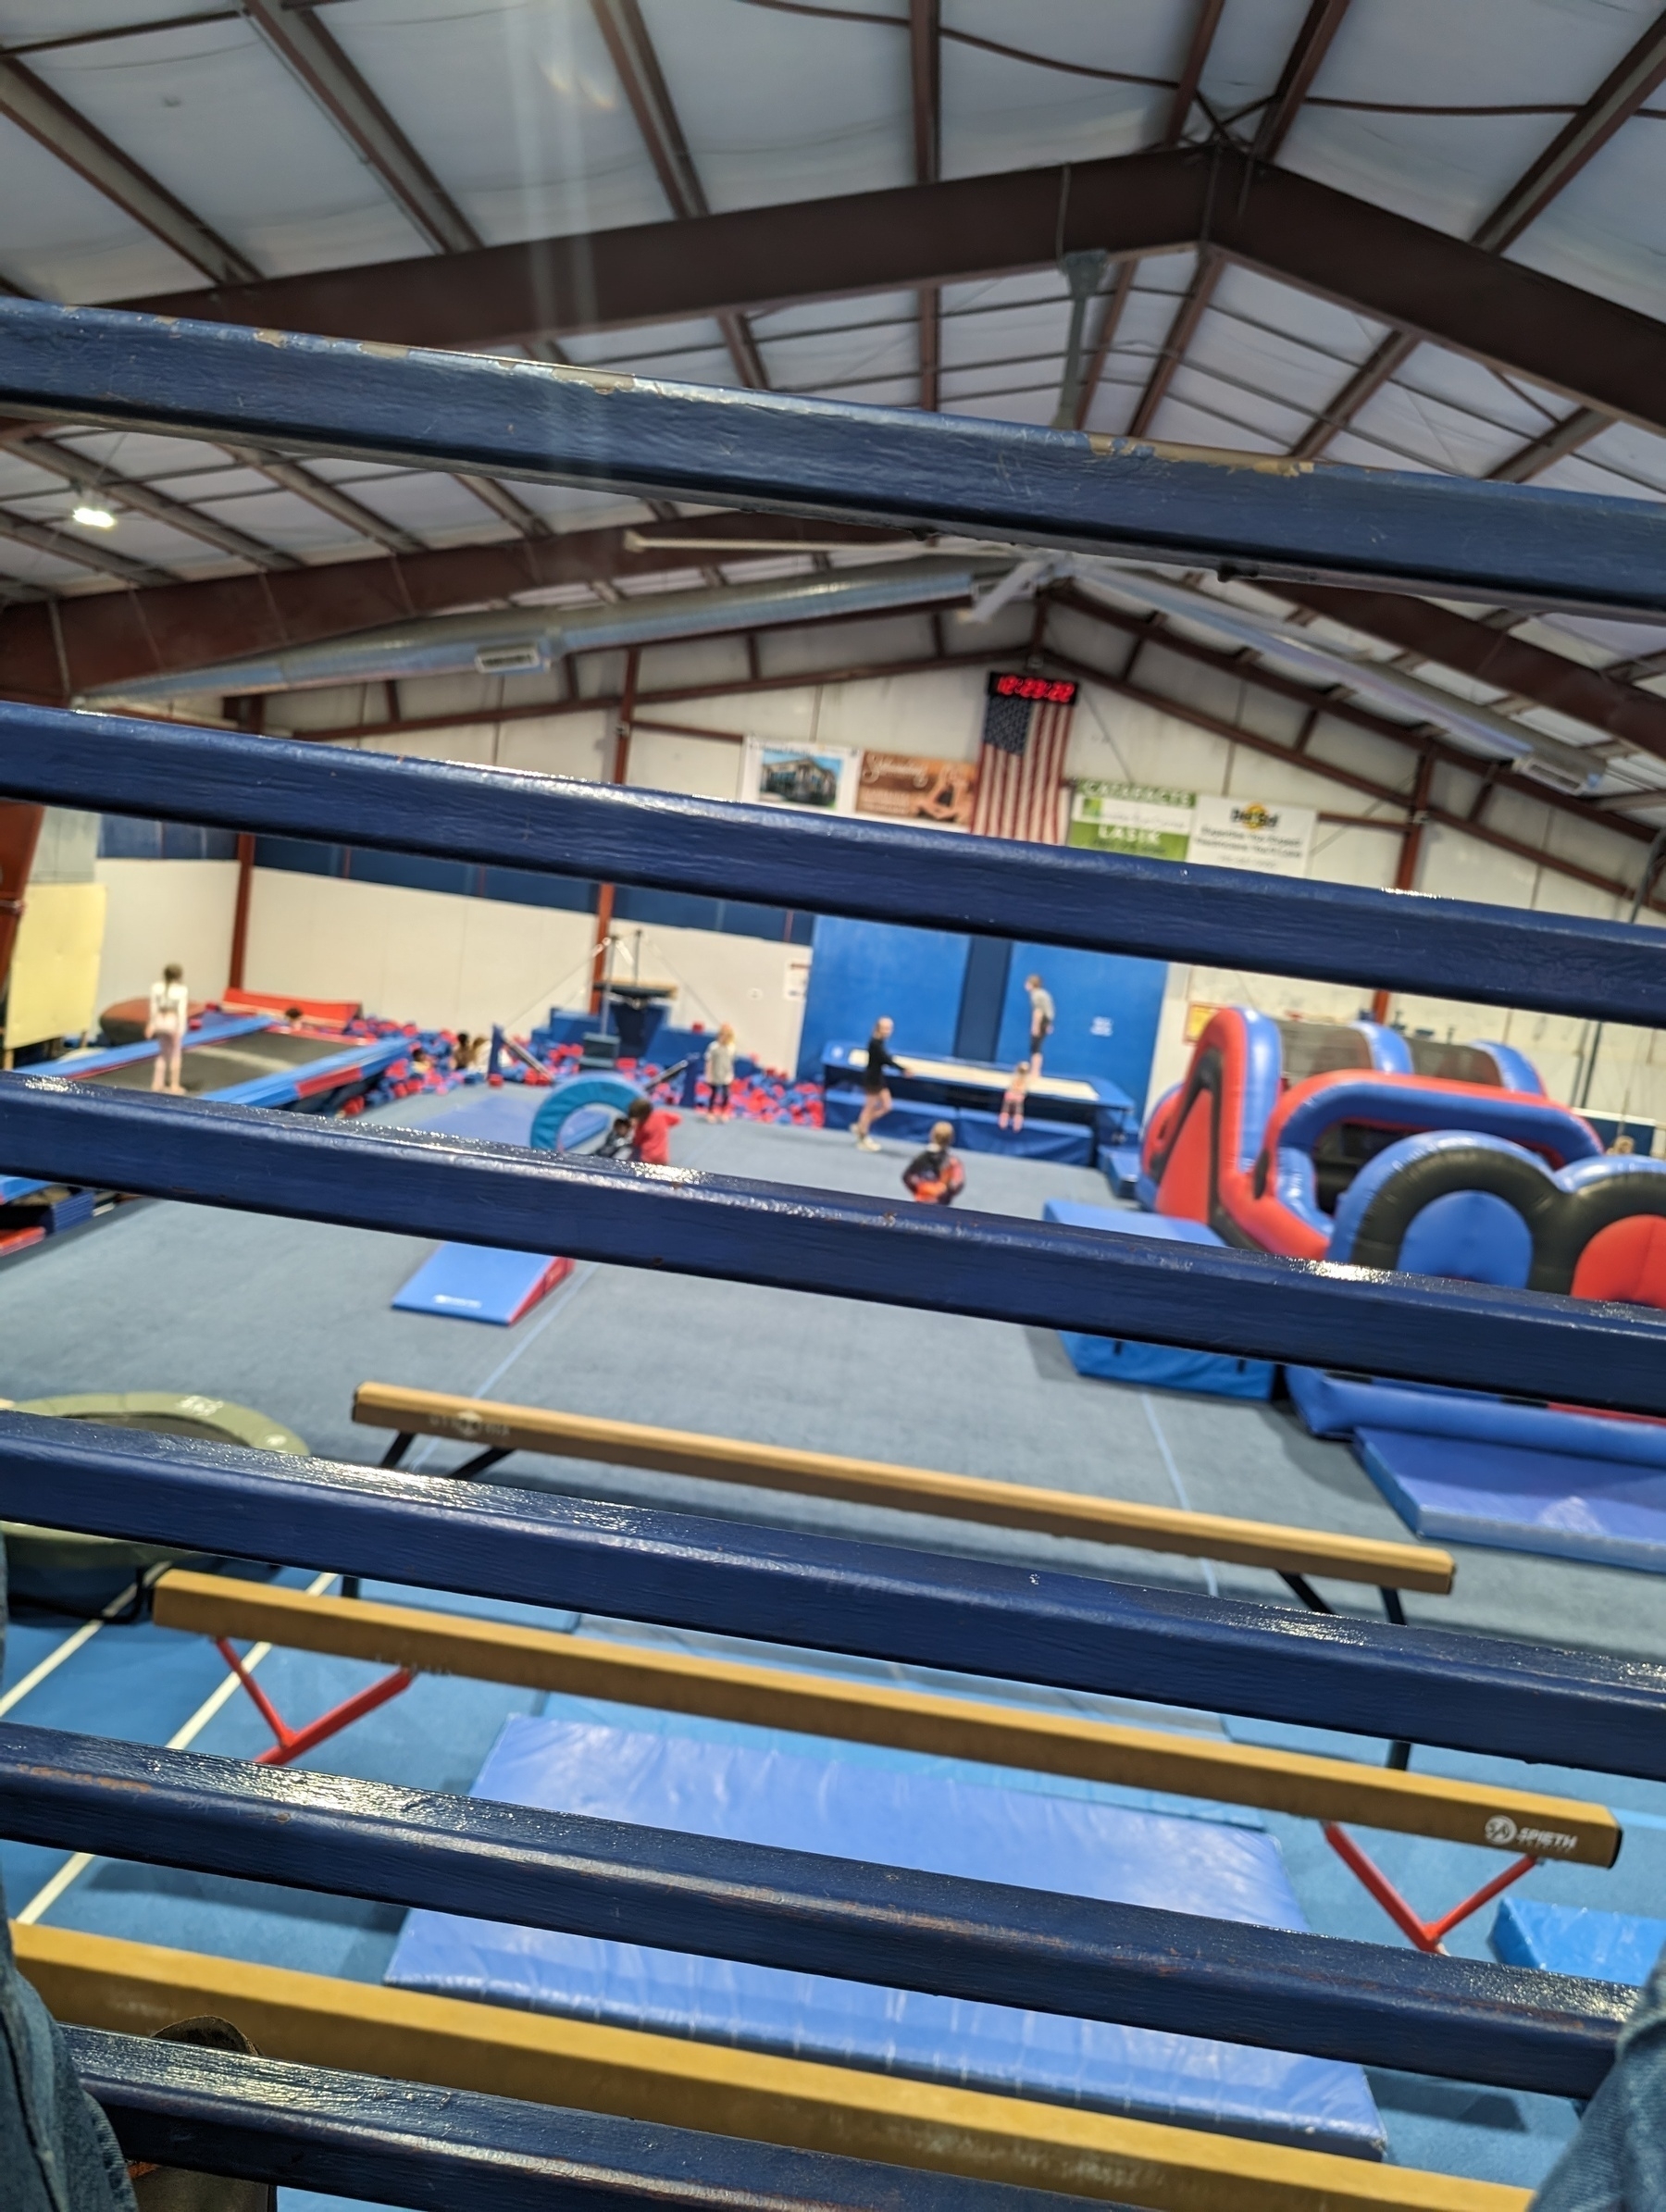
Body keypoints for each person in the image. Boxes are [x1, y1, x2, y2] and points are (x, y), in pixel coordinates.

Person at [852, 1016, 907, 1151]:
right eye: (886, 1028)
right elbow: (886, 1059)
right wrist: (903, 1069)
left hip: (879, 1079)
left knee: (887, 1106)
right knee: (869, 1108)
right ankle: (863, 1137)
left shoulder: (880, 1042)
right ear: (878, 1029)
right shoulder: (875, 1043)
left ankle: (861, 1126)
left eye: (890, 1029)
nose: (889, 1031)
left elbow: (886, 1059)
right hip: (872, 1080)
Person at [146, 963, 188, 1096]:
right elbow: (181, 1011)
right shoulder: (181, 990)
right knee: (175, 1054)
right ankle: (174, 1085)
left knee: (163, 1054)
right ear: (179, 976)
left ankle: (157, 1083)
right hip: (172, 1021)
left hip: (160, 1020)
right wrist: (179, 1029)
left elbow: (153, 1007)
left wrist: (151, 1025)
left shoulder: (156, 987)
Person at [902, 1121, 964, 1205]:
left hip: (920, 1201)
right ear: (951, 1139)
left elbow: (907, 1177)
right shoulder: (952, 1162)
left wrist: (919, 1190)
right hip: (940, 1203)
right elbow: (957, 1183)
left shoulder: (921, 1158)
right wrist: (946, 1193)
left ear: (932, 1135)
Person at [623, 1093, 680, 1165]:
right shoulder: (661, 1115)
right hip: (661, 1157)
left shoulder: (641, 1125)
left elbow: (637, 1142)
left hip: (647, 1157)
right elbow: (677, 1119)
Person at [703, 1024, 738, 1120]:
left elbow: (731, 1063)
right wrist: (708, 1074)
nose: (724, 1038)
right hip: (715, 1073)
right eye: (722, 1035)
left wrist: (731, 1074)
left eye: (727, 1036)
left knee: (726, 1094)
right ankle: (710, 1112)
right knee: (713, 1094)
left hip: (726, 1075)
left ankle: (723, 1112)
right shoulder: (713, 1047)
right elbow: (709, 1061)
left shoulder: (731, 1048)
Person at [1025, 974, 1055, 1074]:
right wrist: (1049, 1024)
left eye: (1027, 983)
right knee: (1038, 1046)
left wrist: (1035, 1026)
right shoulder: (1043, 993)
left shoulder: (1036, 995)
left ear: (1032, 984)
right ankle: (1036, 1071)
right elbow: (1049, 1009)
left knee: (1035, 1046)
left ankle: (1035, 1071)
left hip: (1042, 1020)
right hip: (1046, 1020)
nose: (1025, 985)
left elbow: (1038, 1012)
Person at [999, 1061, 1031, 1134]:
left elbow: (1022, 1089)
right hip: (1014, 1095)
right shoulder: (1018, 1078)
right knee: (1011, 1106)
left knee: (1015, 1107)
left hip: (1016, 1095)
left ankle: (1014, 1122)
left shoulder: (1021, 1078)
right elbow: (1015, 1088)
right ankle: (1007, 1121)